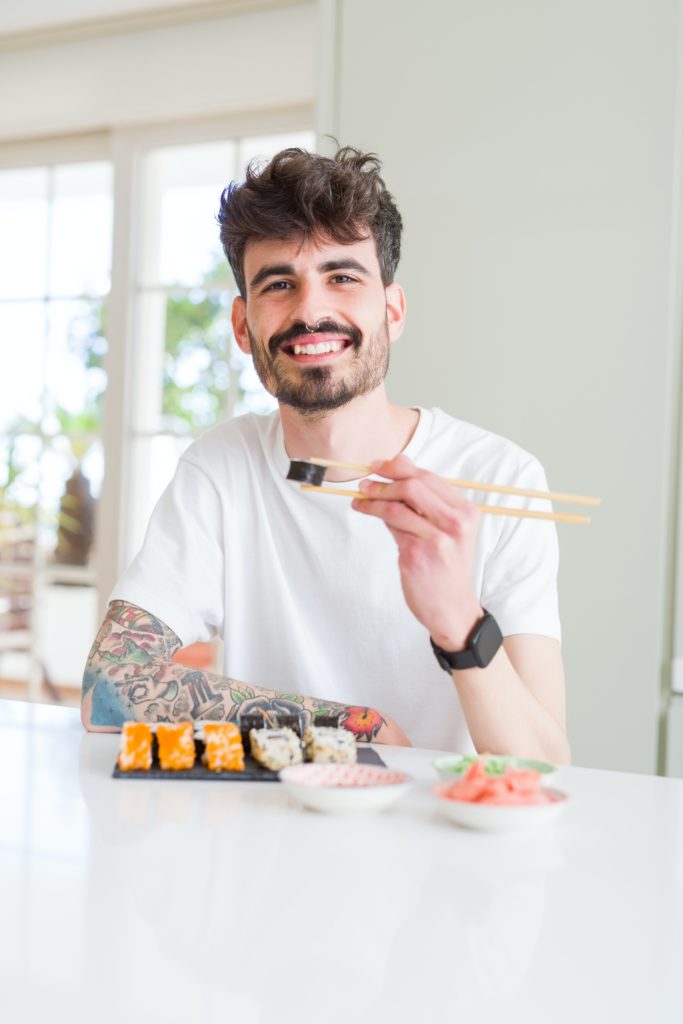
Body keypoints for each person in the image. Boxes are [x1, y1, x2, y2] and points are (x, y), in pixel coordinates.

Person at [81, 146, 569, 762]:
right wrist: (350, 724)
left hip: (442, 842)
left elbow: (547, 768)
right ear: (242, 325)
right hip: (268, 834)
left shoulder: (501, 478)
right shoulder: (221, 468)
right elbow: (109, 686)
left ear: (391, 310)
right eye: (279, 284)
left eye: (343, 277)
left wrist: (460, 625)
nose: (311, 311)